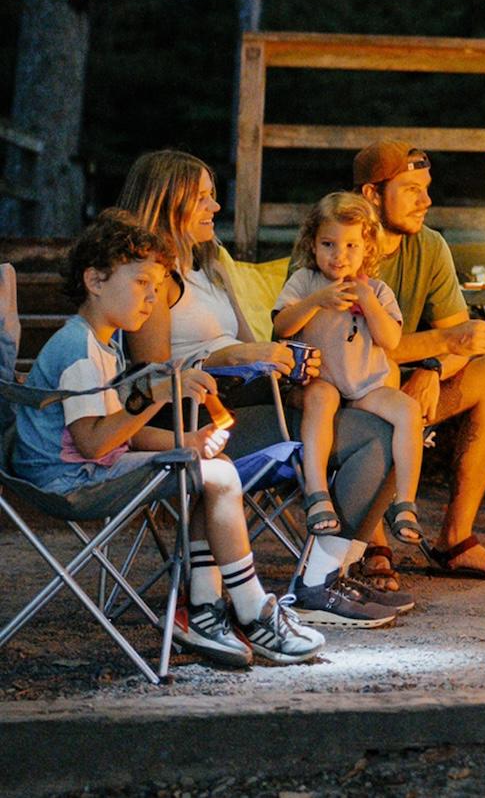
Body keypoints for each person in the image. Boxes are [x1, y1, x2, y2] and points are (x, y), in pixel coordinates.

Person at [12, 209, 325, 668]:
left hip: (82, 468)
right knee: (216, 477)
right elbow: (95, 444)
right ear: (95, 281)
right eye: (141, 283)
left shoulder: (102, 341)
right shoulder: (77, 348)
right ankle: (250, 609)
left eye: (157, 288)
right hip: (69, 482)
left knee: (204, 471)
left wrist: (186, 442)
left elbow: (121, 438)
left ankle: (205, 610)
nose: (151, 298)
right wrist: (157, 395)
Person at [121, 149, 410, 627]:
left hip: (251, 396)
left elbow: (251, 340)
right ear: (168, 202)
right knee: (377, 436)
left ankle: (325, 573)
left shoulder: (209, 267)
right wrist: (232, 357)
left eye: (214, 198)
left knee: (399, 426)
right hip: (196, 419)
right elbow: (151, 375)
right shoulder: (151, 278)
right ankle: (319, 582)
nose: (216, 208)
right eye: (203, 199)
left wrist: (282, 359)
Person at [355, 141, 485, 581]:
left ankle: (455, 538)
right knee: (382, 377)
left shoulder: (430, 247)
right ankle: (369, 544)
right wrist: (442, 344)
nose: (426, 200)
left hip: (409, 387)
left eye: (426, 188)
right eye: (411, 189)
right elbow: (351, 354)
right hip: (346, 396)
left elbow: (462, 343)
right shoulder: (340, 244)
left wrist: (432, 368)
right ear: (372, 195)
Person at [273, 192, 425, 548]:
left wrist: (369, 301)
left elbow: (391, 339)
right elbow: (282, 326)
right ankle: (317, 493)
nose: (339, 255)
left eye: (350, 246)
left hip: (364, 387)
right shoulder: (305, 282)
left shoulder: (377, 290)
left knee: (408, 410)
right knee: (322, 398)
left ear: (367, 247)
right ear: (313, 243)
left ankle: (404, 502)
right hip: (318, 382)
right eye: (328, 244)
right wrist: (316, 302)